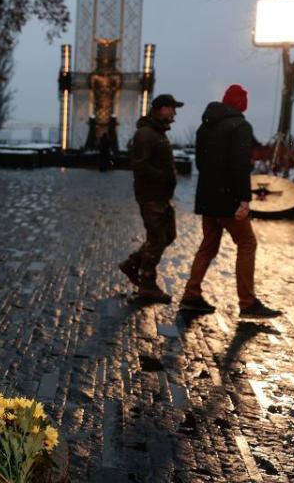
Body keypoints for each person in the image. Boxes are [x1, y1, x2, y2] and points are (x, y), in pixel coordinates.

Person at [178, 85, 282, 318]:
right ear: (240, 104)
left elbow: (201, 165)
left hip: (207, 197)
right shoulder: (240, 126)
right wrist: (244, 199)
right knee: (247, 244)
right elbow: (239, 165)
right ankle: (247, 303)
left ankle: (191, 295)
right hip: (228, 199)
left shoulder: (204, 127)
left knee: (208, 245)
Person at [119, 94, 182, 302]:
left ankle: (132, 263)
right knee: (157, 239)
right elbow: (140, 165)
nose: (174, 113)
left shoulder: (158, 133)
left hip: (162, 196)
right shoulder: (146, 134)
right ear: (161, 109)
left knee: (168, 235)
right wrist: (163, 177)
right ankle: (147, 283)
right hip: (151, 196)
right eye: (172, 108)